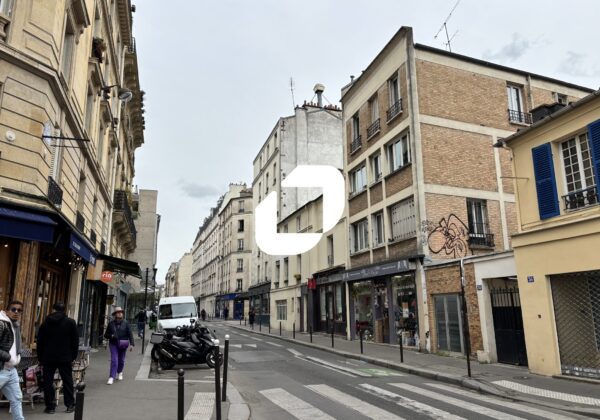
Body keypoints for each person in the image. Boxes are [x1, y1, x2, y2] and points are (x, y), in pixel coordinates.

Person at [37, 301, 79, 414]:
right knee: (67, 381)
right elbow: (75, 341)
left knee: (48, 381)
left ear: (53, 309)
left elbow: (40, 342)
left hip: (48, 357)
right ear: (64, 310)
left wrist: (40, 357)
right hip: (65, 357)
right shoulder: (70, 323)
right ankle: (70, 404)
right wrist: (73, 356)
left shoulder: (45, 323)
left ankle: (50, 406)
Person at [0, 300, 24, 420]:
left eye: (19, 310)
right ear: (6, 311)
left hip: (11, 370)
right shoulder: (2, 323)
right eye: (13, 309)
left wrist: (16, 358)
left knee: (16, 399)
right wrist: (8, 357)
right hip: (1, 368)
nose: (16, 312)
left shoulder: (14, 325)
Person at [104, 307, 134, 385]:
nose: (120, 313)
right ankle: (111, 377)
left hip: (123, 343)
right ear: (115, 314)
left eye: (121, 312)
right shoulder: (111, 324)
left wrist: (132, 344)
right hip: (113, 344)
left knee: (121, 360)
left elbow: (130, 334)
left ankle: (120, 372)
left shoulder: (126, 323)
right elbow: (106, 335)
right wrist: (111, 336)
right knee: (114, 360)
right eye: (118, 312)